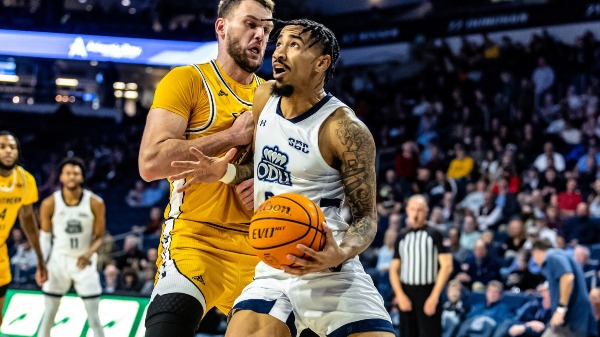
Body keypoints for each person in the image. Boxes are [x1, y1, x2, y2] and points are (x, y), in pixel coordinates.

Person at [169, 19, 395, 337]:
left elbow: (366, 220)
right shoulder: (263, 99)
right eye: (279, 44)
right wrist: (225, 172)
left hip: (328, 265)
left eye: (294, 45)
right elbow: (265, 171)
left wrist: (339, 253)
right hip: (273, 265)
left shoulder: (344, 129)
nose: (278, 52)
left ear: (321, 63)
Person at [137, 1, 275, 336]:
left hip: (260, 248)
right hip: (196, 242)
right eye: (250, 24)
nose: (260, 35)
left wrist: (265, 190)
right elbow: (151, 162)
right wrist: (232, 135)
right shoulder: (187, 80)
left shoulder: (275, 98)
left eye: (267, 29)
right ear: (222, 27)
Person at [38, 157, 105, 337]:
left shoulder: (95, 202)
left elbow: (100, 237)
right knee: (49, 315)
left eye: (76, 173)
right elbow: (45, 238)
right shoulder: (49, 203)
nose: (72, 177)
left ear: (82, 177)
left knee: (94, 318)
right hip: (58, 261)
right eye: (68, 173)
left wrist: (89, 254)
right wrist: (41, 265)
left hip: (85, 261)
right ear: (61, 177)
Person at [0, 131, 47, 325]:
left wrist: (40, 259)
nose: (8, 151)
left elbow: (28, 221)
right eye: (2, 147)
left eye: (12, 147)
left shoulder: (26, 180)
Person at [389, 195, 453, 337]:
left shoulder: (436, 234)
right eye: (412, 209)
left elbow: (447, 266)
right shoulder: (402, 236)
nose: (415, 213)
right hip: (406, 292)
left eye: (419, 210)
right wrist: (400, 295)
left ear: (426, 211)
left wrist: (434, 296)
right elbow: (393, 270)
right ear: (407, 211)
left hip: (428, 291)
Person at [532, 239, 598, 337]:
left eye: (533, 256)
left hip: (572, 319)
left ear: (536, 251)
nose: (534, 260)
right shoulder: (561, 254)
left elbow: (568, 277)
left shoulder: (551, 256)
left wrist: (560, 309)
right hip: (573, 318)